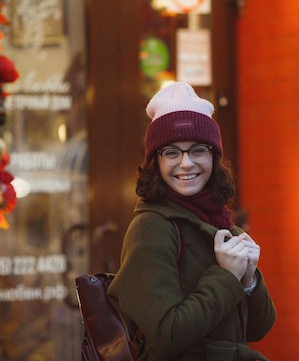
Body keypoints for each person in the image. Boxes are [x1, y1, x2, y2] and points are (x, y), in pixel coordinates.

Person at [108, 82, 276, 361]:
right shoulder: (151, 228)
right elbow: (167, 336)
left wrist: (248, 279)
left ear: (213, 156)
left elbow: (259, 329)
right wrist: (226, 276)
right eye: (172, 152)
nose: (186, 163)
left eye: (198, 150)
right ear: (156, 162)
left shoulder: (222, 223)